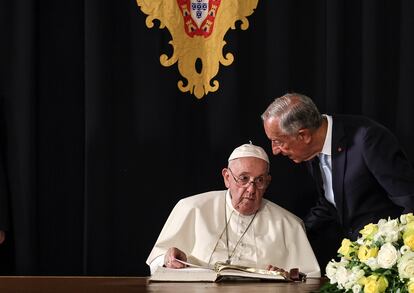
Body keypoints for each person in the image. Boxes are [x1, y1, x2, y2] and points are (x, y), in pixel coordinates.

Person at [261, 92, 414, 270]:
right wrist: (293, 236)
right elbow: (330, 202)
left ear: (303, 136)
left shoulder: (367, 139)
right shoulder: (309, 150)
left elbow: (409, 200)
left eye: (278, 141)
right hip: (360, 260)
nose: (275, 151)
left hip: (392, 260)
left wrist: (401, 258)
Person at [146, 142, 320, 277]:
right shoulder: (192, 207)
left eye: (259, 181)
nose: (251, 189)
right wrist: (167, 259)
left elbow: (310, 277)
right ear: (227, 177)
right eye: (243, 179)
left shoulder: (290, 224)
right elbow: (156, 261)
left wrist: (286, 278)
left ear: (267, 182)